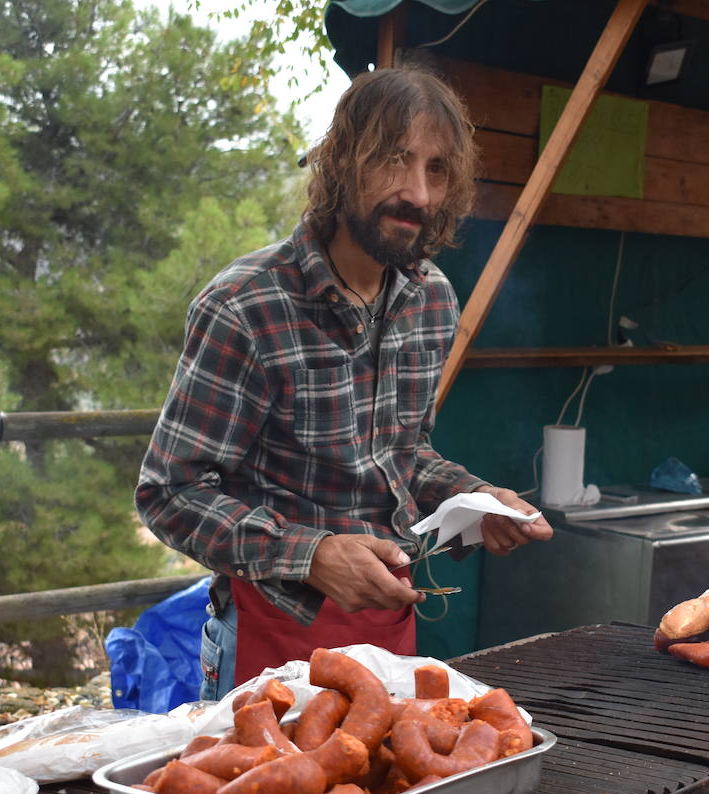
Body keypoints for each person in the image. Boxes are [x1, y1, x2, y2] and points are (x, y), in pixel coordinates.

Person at [135, 65, 553, 700]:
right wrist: (313, 555)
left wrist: (476, 501)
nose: (417, 192)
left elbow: (401, 457)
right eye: (394, 160)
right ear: (340, 163)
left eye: (436, 169)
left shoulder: (431, 298)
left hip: (391, 632)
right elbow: (171, 494)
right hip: (272, 635)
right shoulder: (246, 307)